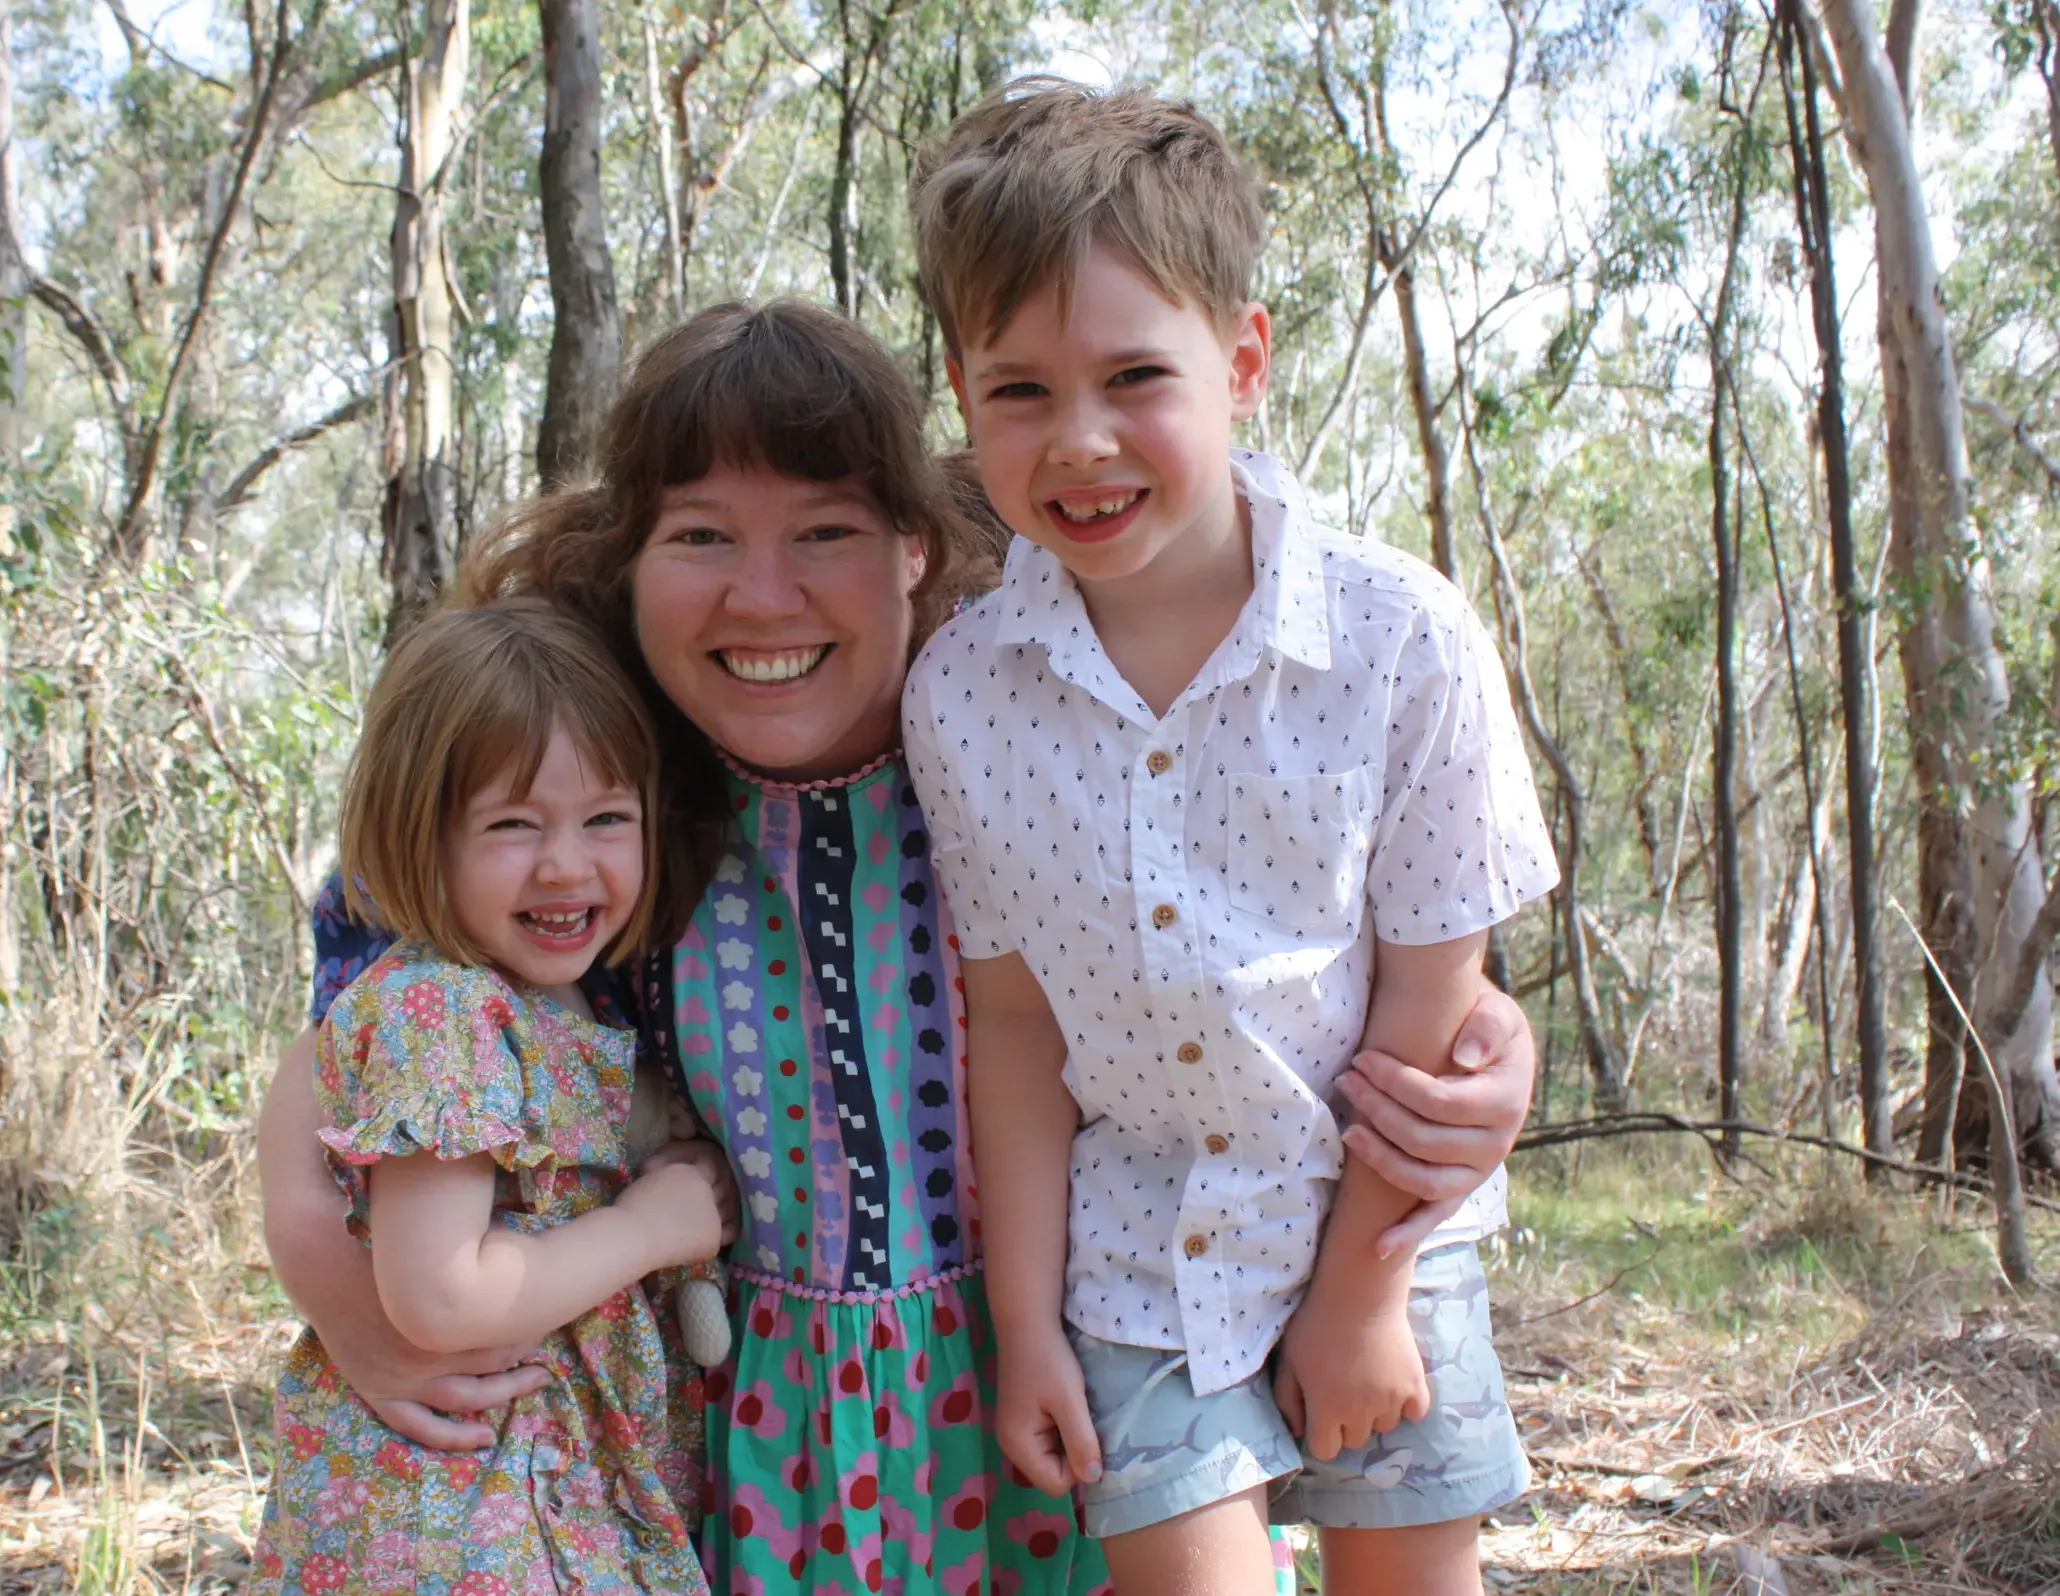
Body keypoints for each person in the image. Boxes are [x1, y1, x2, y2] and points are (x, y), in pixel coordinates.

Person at [257, 300, 1549, 1596]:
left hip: (1071, 1383)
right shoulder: (592, 795)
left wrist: (1480, 1041)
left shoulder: (1021, 740)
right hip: (751, 1448)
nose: (764, 595)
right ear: (627, 563)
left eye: (825, 533)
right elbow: (356, 1022)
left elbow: (1276, 962)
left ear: (916, 551)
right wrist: (349, 1302)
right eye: (701, 537)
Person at [901, 79, 1559, 1596]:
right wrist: (1023, 1331)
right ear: (962, 388)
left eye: (1137, 376)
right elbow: (1012, 1027)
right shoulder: (966, 696)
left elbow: (1428, 1007)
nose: (1080, 442)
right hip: (1136, 1261)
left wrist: (1359, 1295)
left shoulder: (1401, 641)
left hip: (1386, 1234)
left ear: (1243, 357)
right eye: (1017, 391)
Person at [248, 599, 734, 1596]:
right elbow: (439, 1295)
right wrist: (651, 1229)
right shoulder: (448, 1014)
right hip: (467, 1517)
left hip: (517, 1496)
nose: (566, 863)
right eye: (512, 826)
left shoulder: (531, 998)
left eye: (607, 818)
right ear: (418, 839)